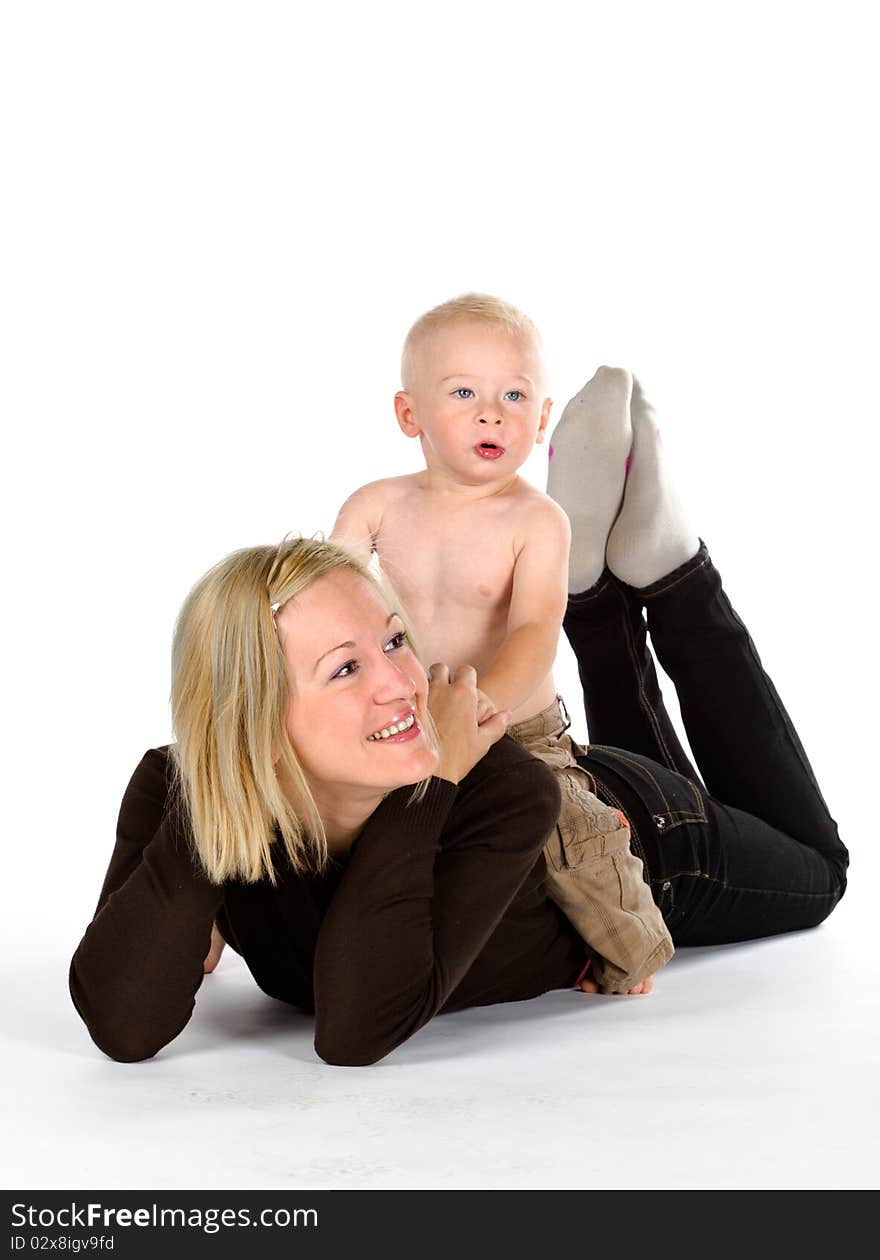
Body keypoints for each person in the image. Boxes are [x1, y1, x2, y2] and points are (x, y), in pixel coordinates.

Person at [68, 376, 848, 1067]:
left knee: (821, 871)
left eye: (395, 640)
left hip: (648, 842)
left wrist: (435, 782)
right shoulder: (180, 790)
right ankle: (602, 593)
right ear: (251, 722)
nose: (403, 684)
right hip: (514, 789)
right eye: (344, 668)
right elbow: (123, 1024)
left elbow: (355, 1030)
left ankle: (671, 575)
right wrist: (210, 813)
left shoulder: (499, 787)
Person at [329, 294, 672, 993]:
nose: (493, 413)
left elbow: (534, 629)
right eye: (464, 393)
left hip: (515, 722)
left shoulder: (535, 521)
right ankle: (222, 917)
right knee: (303, 800)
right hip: (404, 717)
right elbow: (327, 599)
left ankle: (630, 945)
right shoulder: (376, 505)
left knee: (571, 832)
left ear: (541, 419)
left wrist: (481, 711)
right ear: (409, 415)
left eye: (514, 395)